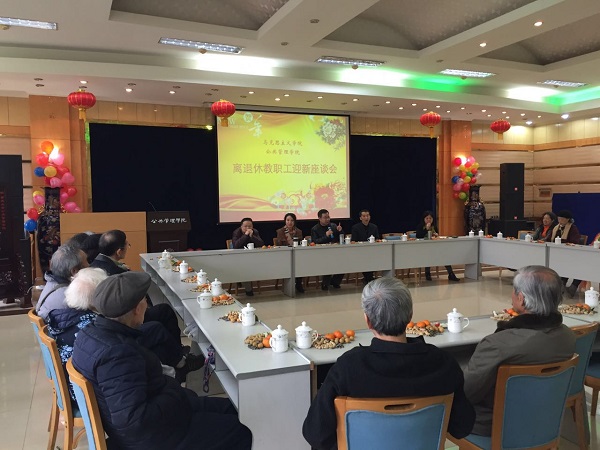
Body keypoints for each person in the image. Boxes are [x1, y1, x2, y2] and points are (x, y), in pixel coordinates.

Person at [72, 272, 252, 450]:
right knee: (246, 430)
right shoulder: (118, 354)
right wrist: (173, 389)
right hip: (157, 436)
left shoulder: (88, 334)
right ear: (137, 309)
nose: (147, 304)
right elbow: (133, 421)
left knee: (237, 410)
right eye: (145, 300)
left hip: (161, 413)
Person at [302, 277, 475, 449]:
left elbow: (316, 434)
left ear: (368, 321)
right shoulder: (443, 363)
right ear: (410, 315)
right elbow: (462, 427)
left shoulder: (348, 368)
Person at [464, 265, 576, 436]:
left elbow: (467, 392)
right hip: (547, 419)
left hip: (496, 424)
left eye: (514, 290)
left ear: (521, 298)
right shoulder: (568, 336)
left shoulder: (497, 344)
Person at [47, 267, 201, 386]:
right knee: (155, 336)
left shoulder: (64, 316)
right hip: (98, 386)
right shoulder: (92, 327)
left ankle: (176, 371)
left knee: (156, 333)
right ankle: (177, 372)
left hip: (85, 381)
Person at [91, 229, 200, 376]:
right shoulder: (113, 273)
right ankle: (181, 361)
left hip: (114, 318)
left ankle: (177, 352)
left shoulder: (96, 263)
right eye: (127, 245)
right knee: (158, 325)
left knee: (163, 311)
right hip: (122, 319)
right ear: (119, 251)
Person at [35, 244, 89, 321]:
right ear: (74, 271)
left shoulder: (51, 283)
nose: (89, 265)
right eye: (87, 262)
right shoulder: (71, 296)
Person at [415, 211, 459, 282]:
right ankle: (427, 273)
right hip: (424, 248)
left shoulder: (434, 226)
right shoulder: (420, 226)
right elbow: (418, 235)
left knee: (444, 256)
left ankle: (451, 274)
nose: (429, 220)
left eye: (430, 218)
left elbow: (436, 235)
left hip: (434, 246)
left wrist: (436, 235)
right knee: (428, 255)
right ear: (424, 219)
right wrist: (426, 229)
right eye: (427, 218)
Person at [551, 210, 583, 297]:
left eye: (562, 219)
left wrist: (563, 242)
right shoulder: (556, 228)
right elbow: (550, 239)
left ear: (567, 219)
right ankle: (561, 284)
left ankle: (571, 286)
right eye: (559, 219)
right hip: (557, 253)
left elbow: (575, 241)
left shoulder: (573, 228)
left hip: (570, 253)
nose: (560, 221)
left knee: (571, 265)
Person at [311, 209, 344, 290]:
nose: (327, 219)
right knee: (328, 263)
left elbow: (341, 238)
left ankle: (335, 282)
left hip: (335, 251)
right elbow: (315, 242)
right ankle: (325, 284)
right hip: (322, 253)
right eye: (325, 217)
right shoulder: (315, 229)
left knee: (344, 262)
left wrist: (340, 231)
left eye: (328, 217)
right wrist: (326, 236)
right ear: (319, 218)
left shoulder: (333, 226)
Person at [232, 217, 265, 296]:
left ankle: (243, 282)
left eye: (249, 226)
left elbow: (261, 244)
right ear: (241, 227)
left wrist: (252, 236)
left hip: (253, 257)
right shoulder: (236, 232)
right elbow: (236, 246)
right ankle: (248, 289)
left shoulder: (255, 231)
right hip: (239, 258)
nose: (248, 228)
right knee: (244, 268)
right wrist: (246, 235)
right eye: (245, 226)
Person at [275, 212, 304, 292]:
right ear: (285, 221)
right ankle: (287, 285)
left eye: (292, 220)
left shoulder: (298, 231)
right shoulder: (280, 231)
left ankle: (298, 283)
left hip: (296, 255)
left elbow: (300, 243)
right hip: (284, 255)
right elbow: (279, 244)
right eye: (287, 220)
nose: (289, 222)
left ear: (294, 222)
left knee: (300, 263)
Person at [350, 209, 380, 284]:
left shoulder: (374, 227)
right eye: (364, 216)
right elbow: (353, 241)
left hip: (372, 251)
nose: (366, 218)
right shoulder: (355, 227)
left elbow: (377, 239)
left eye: (367, 216)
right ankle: (369, 279)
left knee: (373, 258)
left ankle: (368, 279)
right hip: (360, 251)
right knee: (365, 259)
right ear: (360, 218)